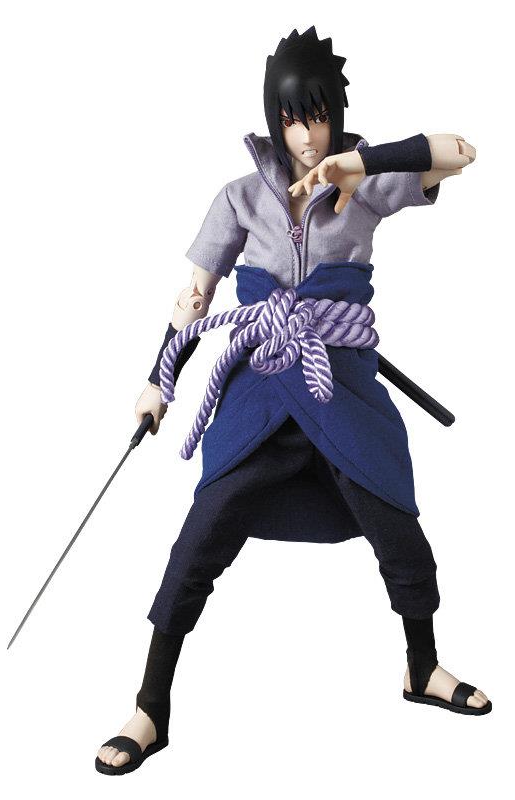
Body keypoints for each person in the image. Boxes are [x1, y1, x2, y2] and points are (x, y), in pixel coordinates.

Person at [95, 26, 490, 776]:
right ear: (272, 120)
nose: (306, 136)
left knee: (396, 523)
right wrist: (158, 379)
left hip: (342, 387)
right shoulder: (239, 198)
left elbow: (459, 152)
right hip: (262, 384)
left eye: (318, 117)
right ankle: (150, 704)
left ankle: (421, 667)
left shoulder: (365, 184)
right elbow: (194, 297)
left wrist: (357, 163)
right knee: (200, 535)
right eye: (291, 119)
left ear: (336, 115)